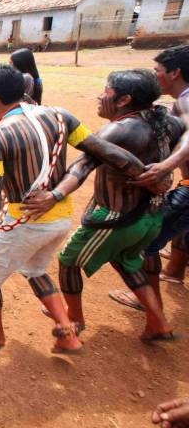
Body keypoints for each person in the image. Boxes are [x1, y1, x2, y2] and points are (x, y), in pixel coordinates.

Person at [0, 65, 148, 351]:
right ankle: (66, 332)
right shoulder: (61, 116)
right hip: (60, 219)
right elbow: (103, 149)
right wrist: (148, 172)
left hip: (25, 221)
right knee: (35, 270)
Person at [26, 69, 181, 342]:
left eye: (106, 91)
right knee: (127, 263)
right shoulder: (167, 121)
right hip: (151, 216)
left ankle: (74, 318)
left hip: (117, 218)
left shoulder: (119, 130)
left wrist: (55, 195)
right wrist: (168, 166)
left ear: (123, 100)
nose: (99, 97)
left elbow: (83, 165)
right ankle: (159, 324)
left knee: (69, 261)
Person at [105, 45, 189, 307]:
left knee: (143, 242)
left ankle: (149, 302)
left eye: (158, 71)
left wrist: (166, 166)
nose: (155, 76)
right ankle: (174, 272)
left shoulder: (185, 101)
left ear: (175, 73)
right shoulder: (175, 105)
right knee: (179, 227)